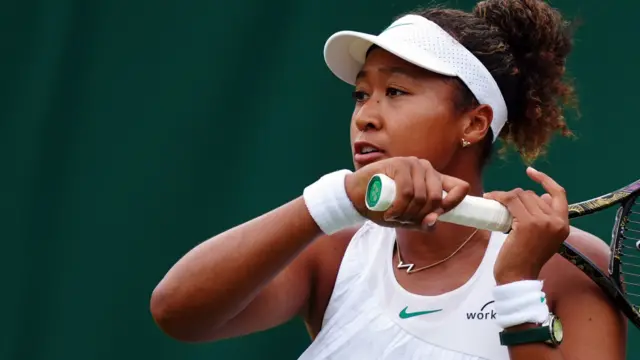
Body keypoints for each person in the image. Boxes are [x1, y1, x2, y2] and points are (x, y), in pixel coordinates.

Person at [150, 0, 627, 359]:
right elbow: (178, 314)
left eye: (395, 91)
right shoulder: (333, 252)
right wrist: (333, 200)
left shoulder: (572, 266)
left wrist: (518, 287)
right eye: (361, 95)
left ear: (474, 124)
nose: (366, 117)